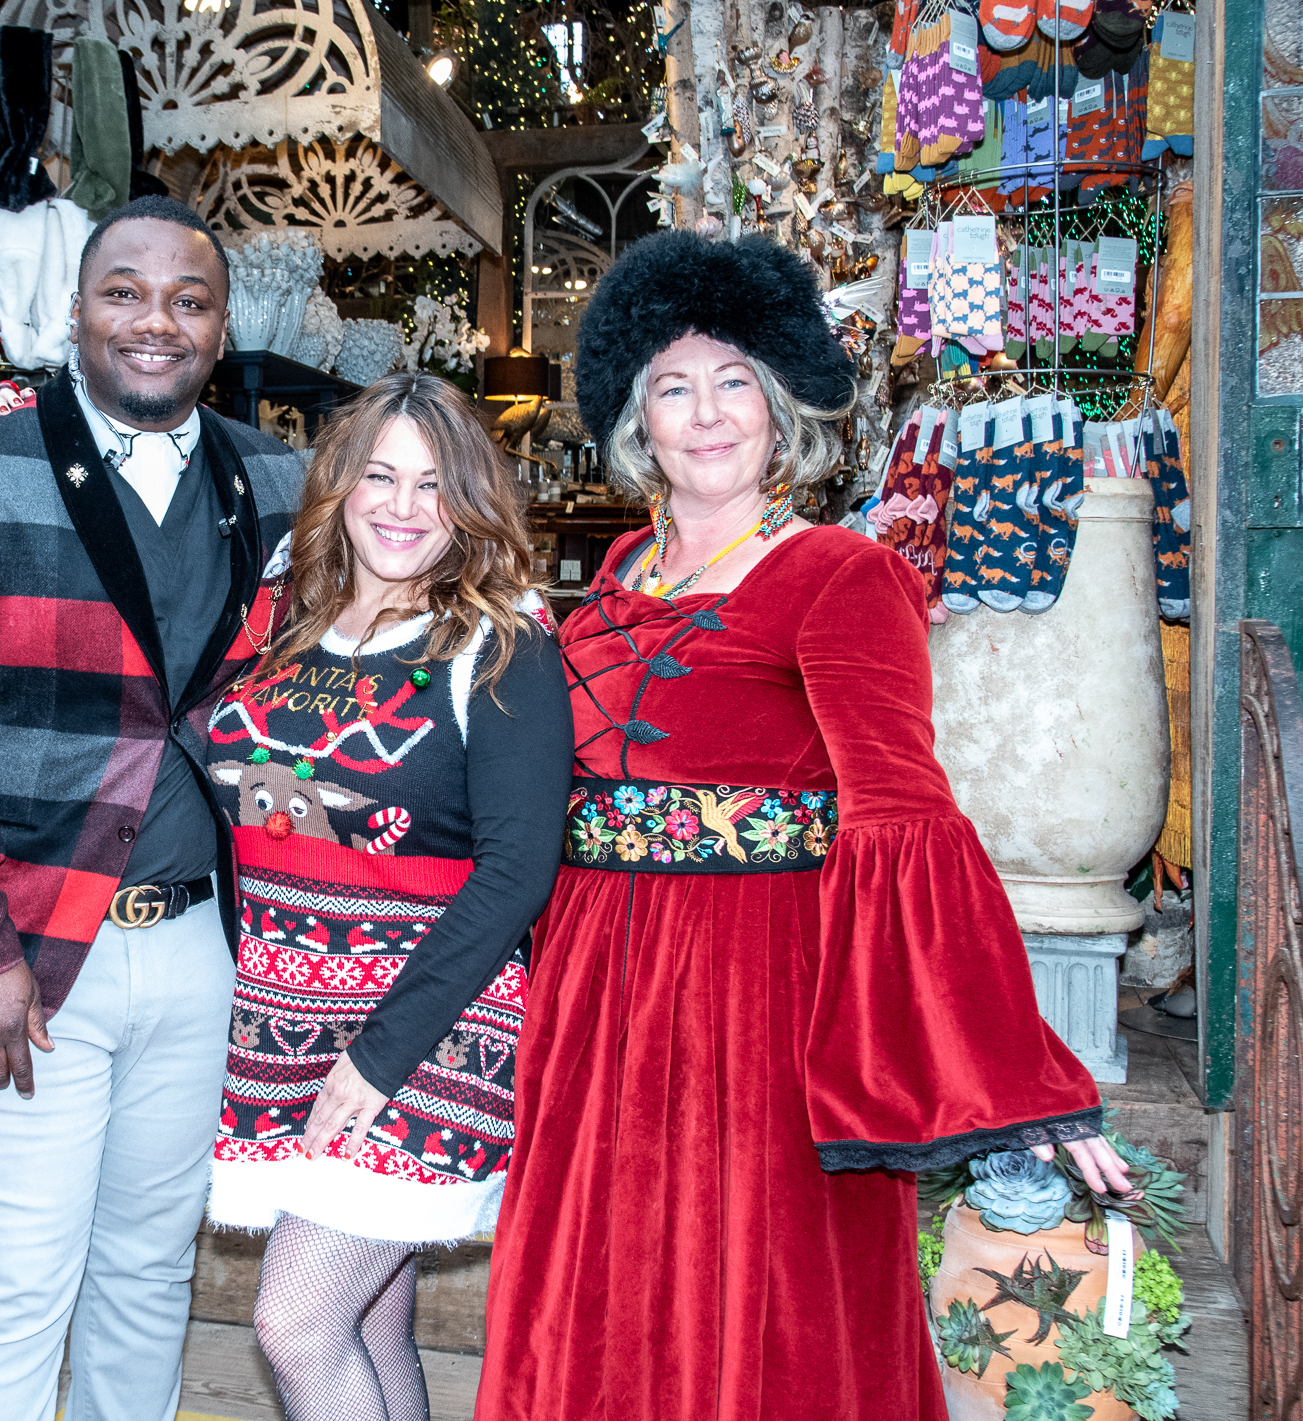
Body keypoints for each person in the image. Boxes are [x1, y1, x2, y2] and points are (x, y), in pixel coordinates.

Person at [474, 231, 1130, 1420]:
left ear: (779, 411)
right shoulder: (615, 576)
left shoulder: (839, 573)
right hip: (592, 996)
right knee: (602, 1287)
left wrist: (1016, 1077)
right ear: (638, 419)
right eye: (673, 386)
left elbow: (901, 815)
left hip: (751, 997)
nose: (706, 412)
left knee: (761, 1298)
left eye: (733, 383)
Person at [0, 195, 304, 1421]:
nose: (154, 321)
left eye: (187, 299)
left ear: (220, 328)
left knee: (145, 1271)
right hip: (23, 956)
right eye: (124, 291)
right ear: (74, 309)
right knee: (13, 1287)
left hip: (199, 949)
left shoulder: (272, 477)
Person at [200, 373, 570, 1421]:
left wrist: (377, 1054)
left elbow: (515, 872)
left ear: (470, 504)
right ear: (339, 486)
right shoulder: (286, 619)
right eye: (381, 477)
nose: (404, 507)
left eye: (434, 485)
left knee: (296, 1322)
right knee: (365, 1323)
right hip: (288, 1008)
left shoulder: (498, 640)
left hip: (429, 1026)